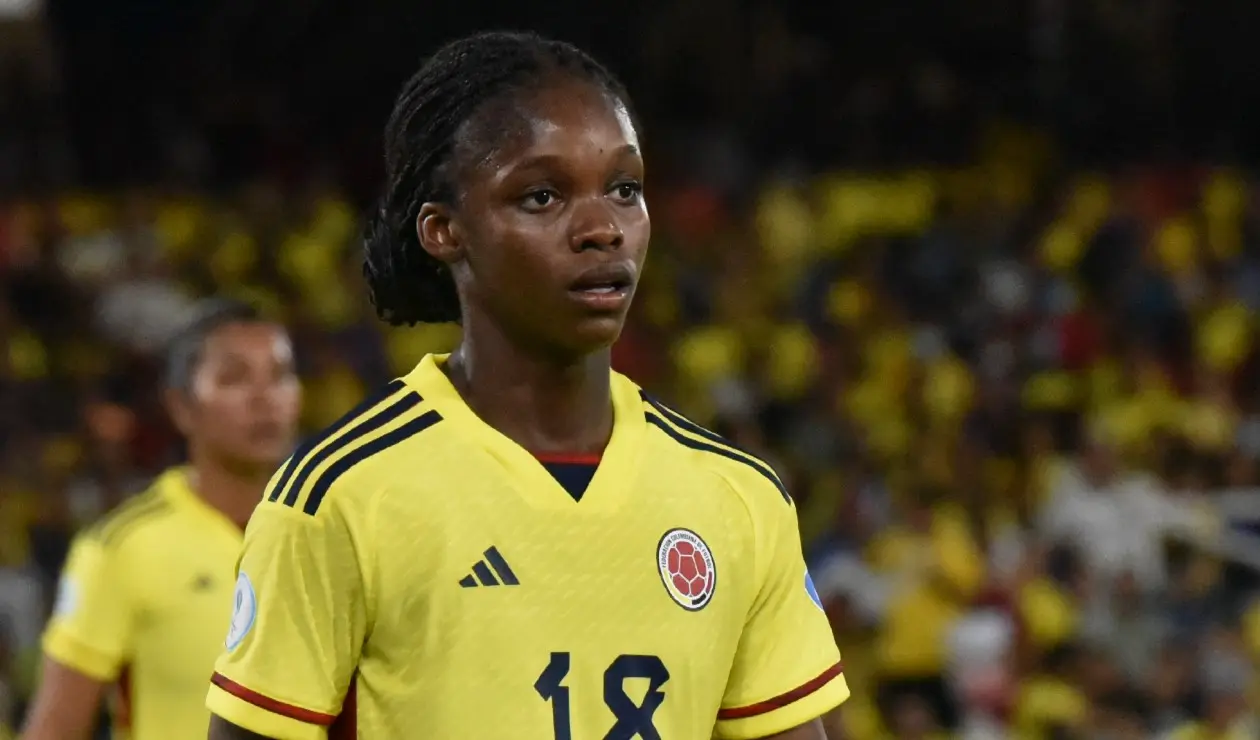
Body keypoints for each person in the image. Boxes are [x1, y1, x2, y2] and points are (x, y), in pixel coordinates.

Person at [206, 30, 848, 740]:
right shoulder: (342, 496)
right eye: (542, 196)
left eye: (625, 189)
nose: (603, 228)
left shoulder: (740, 496)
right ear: (445, 231)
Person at [22, 299, 301, 740]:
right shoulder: (121, 547)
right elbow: (53, 730)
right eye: (234, 378)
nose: (264, 398)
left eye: (280, 375)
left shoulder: (330, 528)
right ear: (181, 407)